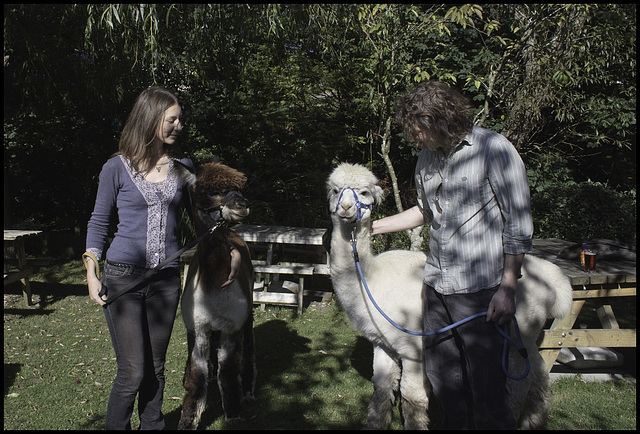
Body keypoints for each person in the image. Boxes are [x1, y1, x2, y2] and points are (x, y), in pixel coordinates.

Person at [371, 81, 533, 429]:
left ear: (439, 118)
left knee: (486, 389)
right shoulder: (426, 158)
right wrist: (372, 226)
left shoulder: (494, 149)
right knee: (444, 382)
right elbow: (422, 211)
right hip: (436, 290)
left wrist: (507, 287)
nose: (413, 137)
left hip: (480, 292)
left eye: (417, 129)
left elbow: (518, 224)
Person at [82, 86, 239, 429]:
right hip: (123, 277)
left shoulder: (183, 167)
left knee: (155, 367)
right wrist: (92, 271)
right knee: (132, 371)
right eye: (172, 119)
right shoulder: (116, 168)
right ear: (150, 119)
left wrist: (231, 248)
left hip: (166, 280)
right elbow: (98, 221)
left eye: (180, 119)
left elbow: (203, 219)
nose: (179, 125)